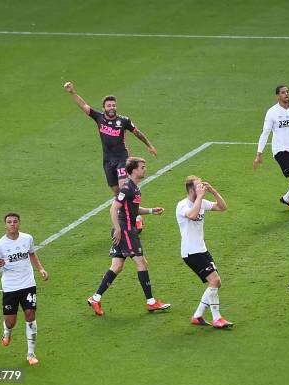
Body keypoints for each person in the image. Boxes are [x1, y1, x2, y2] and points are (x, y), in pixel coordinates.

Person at [87, 157, 170, 315]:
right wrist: (118, 229)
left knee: (117, 266)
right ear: (133, 170)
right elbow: (113, 208)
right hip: (125, 230)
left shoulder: (135, 188)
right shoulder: (127, 188)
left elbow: (134, 210)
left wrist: (152, 210)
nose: (144, 169)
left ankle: (95, 298)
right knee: (141, 263)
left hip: (126, 228)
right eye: (142, 167)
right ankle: (151, 302)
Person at [63, 81, 158, 195]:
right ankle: (127, 211)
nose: (112, 107)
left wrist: (149, 145)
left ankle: (134, 211)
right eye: (109, 106)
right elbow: (83, 105)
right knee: (117, 192)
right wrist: (72, 92)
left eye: (113, 105)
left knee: (124, 188)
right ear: (103, 108)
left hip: (122, 159)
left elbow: (137, 132)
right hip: (107, 160)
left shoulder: (124, 120)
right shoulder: (99, 118)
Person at [176, 176, 233, 329]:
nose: (202, 188)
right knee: (214, 281)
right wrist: (200, 197)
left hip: (201, 249)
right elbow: (192, 215)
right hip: (191, 252)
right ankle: (217, 318)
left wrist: (214, 192)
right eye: (198, 186)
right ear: (191, 190)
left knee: (216, 282)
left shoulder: (201, 202)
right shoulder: (182, 205)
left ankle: (197, 315)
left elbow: (222, 207)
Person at [0, 213, 49, 365]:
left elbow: (32, 254)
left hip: (28, 284)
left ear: (19, 223)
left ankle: (31, 354)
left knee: (30, 315)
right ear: (5, 225)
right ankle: (7, 332)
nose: (12, 224)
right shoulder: (0, 245)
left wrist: (41, 269)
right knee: (11, 322)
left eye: (15, 221)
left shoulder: (27, 238)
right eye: (9, 222)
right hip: (10, 287)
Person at [253, 85, 289, 221]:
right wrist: (259, 153)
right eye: (283, 92)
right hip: (280, 150)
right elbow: (265, 133)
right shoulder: (272, 112)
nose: (286, 94)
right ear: (278, 96)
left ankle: (286, 198)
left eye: (287, 92)